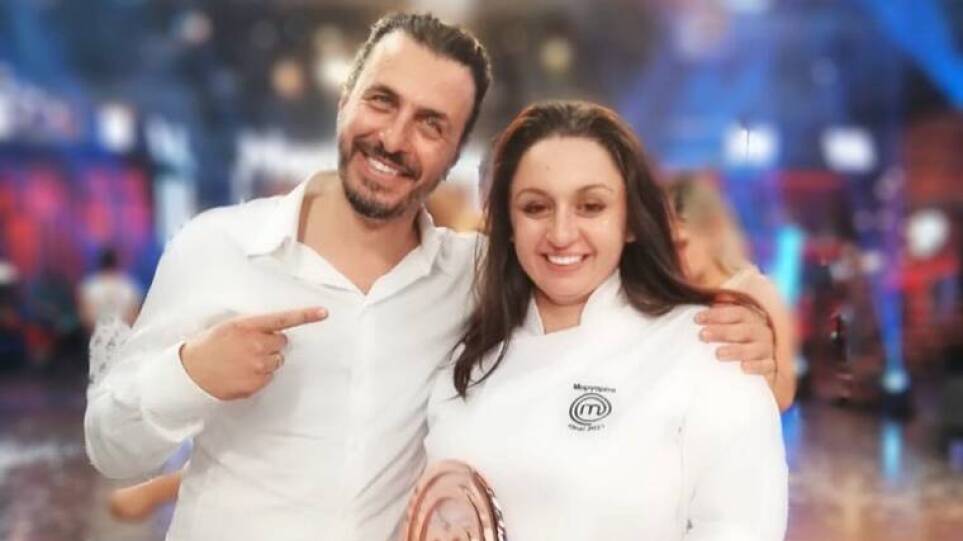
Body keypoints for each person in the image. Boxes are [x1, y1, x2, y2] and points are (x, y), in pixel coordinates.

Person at [86, 13, 777, 541]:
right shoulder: (216, 246)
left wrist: (747, 331)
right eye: (381, 101)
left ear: (452, 154)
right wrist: (191, 373)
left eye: (430, 124)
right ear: (346, 99)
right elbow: (110, 448)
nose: (394, 138)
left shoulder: (469, 277)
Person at [424, 101, 787, 540]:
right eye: (535, 207)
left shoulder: (711, 350)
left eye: (591, 206)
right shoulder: (467, 356)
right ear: (509, 225)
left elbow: (741, 528)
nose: (561, 233)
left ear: (631, 221)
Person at [666, 173, 797, 411]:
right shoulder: (667, 295)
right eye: (665, 247)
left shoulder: (758, 291)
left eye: (681, 244)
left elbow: (784, 394)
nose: (672, 257)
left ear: (714, 230)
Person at [78, 248, 143, 331]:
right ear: (116, 263)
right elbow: (134, 315)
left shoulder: (90, 286)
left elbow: (86, 317)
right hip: (124, 333)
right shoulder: (129, 285)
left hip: (99, 333)